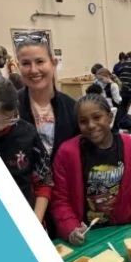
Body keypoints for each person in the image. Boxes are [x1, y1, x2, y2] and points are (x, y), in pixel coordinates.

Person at [50, 94, 131, 245]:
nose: (91, 125)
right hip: (86, 236)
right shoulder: (67, 153)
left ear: (110, 117)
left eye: (97, 117)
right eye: (83, 121)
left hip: (122, 231)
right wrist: (71, 228)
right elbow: (60, 200)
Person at [0, 77, 53, 223]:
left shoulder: (26, 132)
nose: (0, 126)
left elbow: (45, 181)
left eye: (8, 119)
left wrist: (36, 220)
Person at [14, 34, 79, 164]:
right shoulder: (9, 107)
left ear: (53, 63)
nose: (33, 70)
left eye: (40, 61)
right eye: (26, 63)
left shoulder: (72, 108)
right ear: (18, 67)